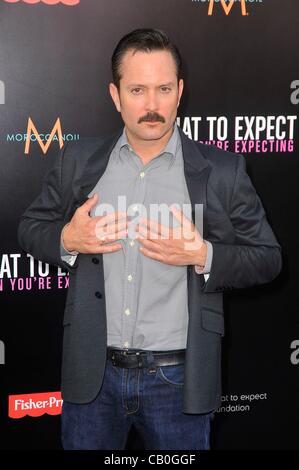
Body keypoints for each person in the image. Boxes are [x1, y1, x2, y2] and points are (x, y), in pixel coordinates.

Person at [18, 28, 282, 450]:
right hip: (93, 376)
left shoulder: (222, 171)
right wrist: (68, 237)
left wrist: (203, 254)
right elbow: (31, 227)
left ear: (180, 91)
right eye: (137, 89)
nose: (152, 105)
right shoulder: (78, 162)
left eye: (163, 89)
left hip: (178, 380)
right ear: (115, 95)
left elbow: (268, 258)